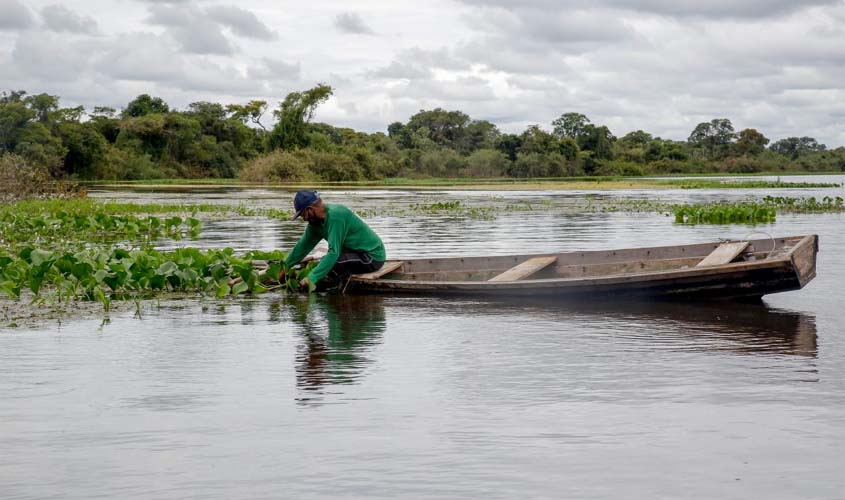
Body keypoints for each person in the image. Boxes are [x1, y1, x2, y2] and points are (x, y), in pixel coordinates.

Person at [283, 190, 385, 291]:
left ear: (310, 209)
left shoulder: (336, 216)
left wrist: (311, 278)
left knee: (333, 262)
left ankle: (336, 293)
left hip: (371, 256)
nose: (304, 219)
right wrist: (283, 268)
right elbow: (302, 248)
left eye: (302, 214)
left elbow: (333, 252)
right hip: (354, 253)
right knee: (326, 263)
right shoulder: (315, 224)